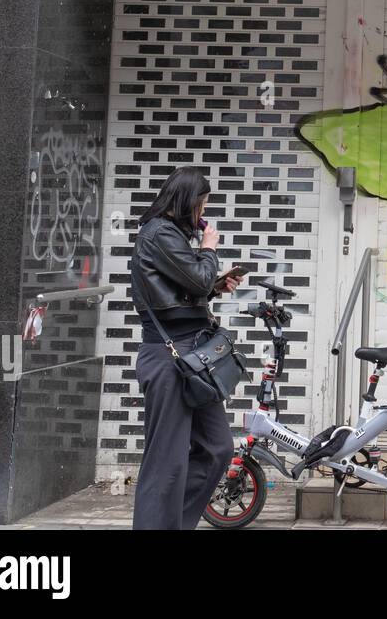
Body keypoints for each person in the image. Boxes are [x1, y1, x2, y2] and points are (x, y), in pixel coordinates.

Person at [129, 167, 242, 530]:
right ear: (188, 201)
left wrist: (214, 288)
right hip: (170, 358)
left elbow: (188, 288)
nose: (203, 213)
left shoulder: (169, 235)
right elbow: (198, 276)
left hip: (193, 358)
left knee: (217, 449)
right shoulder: (159, 233)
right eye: (202, 203)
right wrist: (209, 250)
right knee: (167, 461)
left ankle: (172, 524)